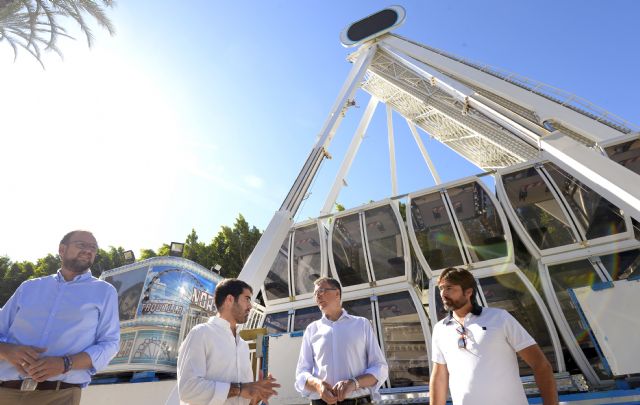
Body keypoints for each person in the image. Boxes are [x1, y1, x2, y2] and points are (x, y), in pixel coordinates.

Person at [0, 230, 120, 405]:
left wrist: (65, 363)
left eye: (93, 247)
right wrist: (7, 351)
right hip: (5, 392)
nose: (88, 250)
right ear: (61, 250)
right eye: (81, 245)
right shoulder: (28, 288)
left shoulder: (105, 292)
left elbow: (110, 344)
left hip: (59, 396)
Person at [429, 267, 558, 405]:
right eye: (441, 288)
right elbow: (439, 378)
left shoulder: (500, 318)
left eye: (449, 288)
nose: (443, 294)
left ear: (468, 292)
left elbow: (540, 365)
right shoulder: (440, 329)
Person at [177, 278, 280, 405]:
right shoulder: (200, 333)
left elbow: (244, 398)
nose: (250, 306)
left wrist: (257, 395)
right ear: (230, 300)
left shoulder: (243, 345)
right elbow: (188, 390)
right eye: (247, 299)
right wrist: (240, 389)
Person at [295, 277, 388, 405]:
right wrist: (318, 386)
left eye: (322, 291)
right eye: (315, 294)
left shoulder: (362, 324)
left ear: (337, 293)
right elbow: (301, 375)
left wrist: (353, 383)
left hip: (357, 401)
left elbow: (380, 368)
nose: (318, 296)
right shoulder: (311, 329)